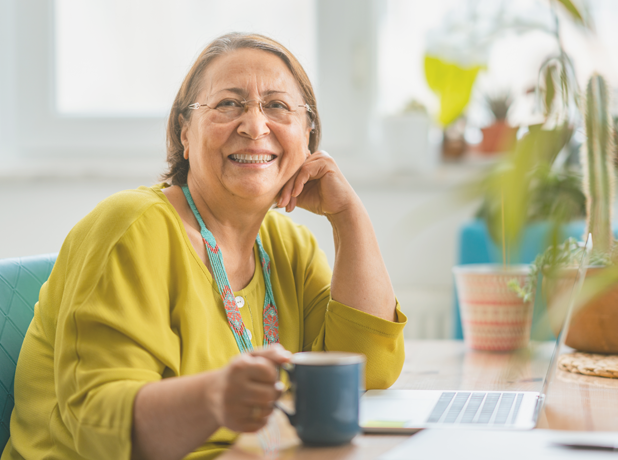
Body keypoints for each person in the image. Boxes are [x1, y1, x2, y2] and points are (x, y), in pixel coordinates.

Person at [2, 33, 407, 460]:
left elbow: (366, 369)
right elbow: (99, 429)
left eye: (277, 106)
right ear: (184, 134)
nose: (254, 126)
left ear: (307, 136)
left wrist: (349, 216)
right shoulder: (133, 227)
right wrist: (214, 399)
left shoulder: (288, 246)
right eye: (228, 104)